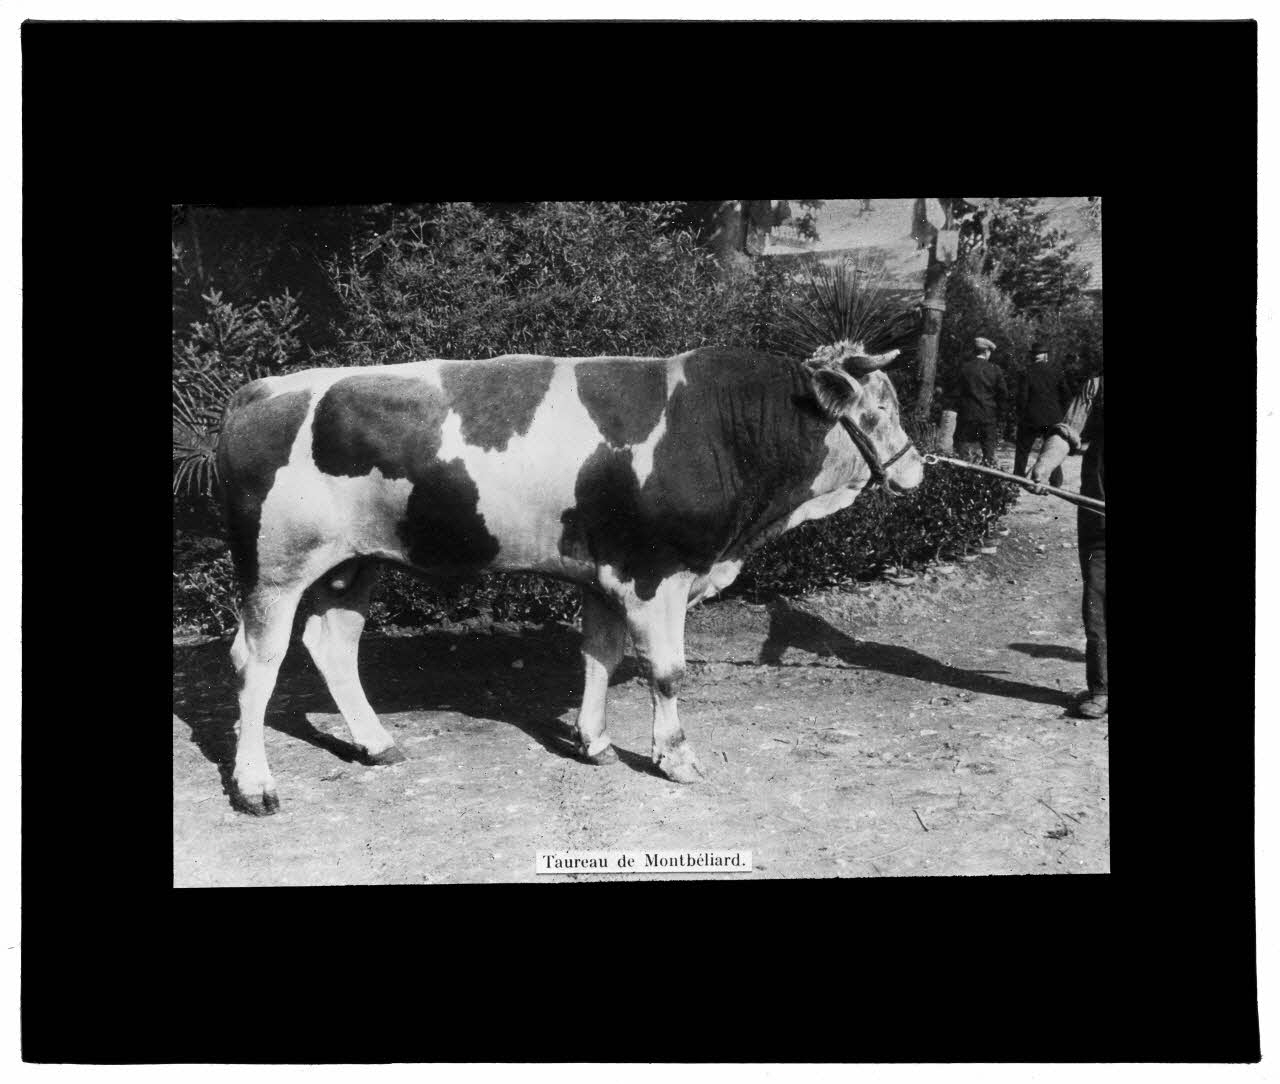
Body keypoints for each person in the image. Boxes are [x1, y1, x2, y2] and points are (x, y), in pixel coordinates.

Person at [1031, 374, 1106, 719]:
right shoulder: (1096, 386)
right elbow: (1067, 432)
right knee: (1097, 603)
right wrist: (1044, 465)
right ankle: (1102, 689)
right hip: (1098, 516)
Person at [1013, 341, 1071, 485]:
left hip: (1031, 419)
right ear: (1045, 356)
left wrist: (1020, 415)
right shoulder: (1056, 372)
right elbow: (1066, 396)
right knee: (1052, 449)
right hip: (1052, 419)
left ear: (1032, 356)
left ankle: (1018, 478)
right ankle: (1056, 481)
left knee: (1023, 450)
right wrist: (1061, 414)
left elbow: (1022, 398)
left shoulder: (1026, 372)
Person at [948, 336, 1008, 466]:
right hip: (988, 415)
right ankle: (988, 472)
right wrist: (1000, 414)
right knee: (988, 450)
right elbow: (1003, 395)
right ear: (986, 351)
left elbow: (955, 393)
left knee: (961, 447)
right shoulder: (995, 369)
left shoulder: (964, 368)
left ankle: (961, 471)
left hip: (967, 415)